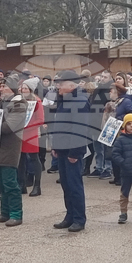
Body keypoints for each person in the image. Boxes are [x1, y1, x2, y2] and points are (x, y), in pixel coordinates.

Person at [46, 70, 96, 232]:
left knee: (74, 186)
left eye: (61, 84)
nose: (58, 86)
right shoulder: (64, 99)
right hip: (62, 149)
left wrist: (75, 152)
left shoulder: (80, 100)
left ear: (71, 85)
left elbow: (80, 129)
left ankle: (79, 219)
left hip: (73, 151)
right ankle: (70, 216)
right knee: (66, 185)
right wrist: (56, 146)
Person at [0, 76, 28, 227]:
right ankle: (4, 213)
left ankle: (16, 214)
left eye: (4, 86)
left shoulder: (19, 104)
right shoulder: (2, 102)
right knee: (1, 183)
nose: (1, 89)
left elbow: (9, 127)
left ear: (12, 89)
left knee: (10, 183)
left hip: (10, 147)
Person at [20, 79, 46, 196]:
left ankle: (37, 186)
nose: (23, 90)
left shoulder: (37, 101)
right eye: (22, 88)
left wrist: (26, 126)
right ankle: (22, 184)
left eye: (25, 88)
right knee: (20, 159)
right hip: (20, 133)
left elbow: (40, 120)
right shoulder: (19, 100)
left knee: (34, 159)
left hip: (31, 133)